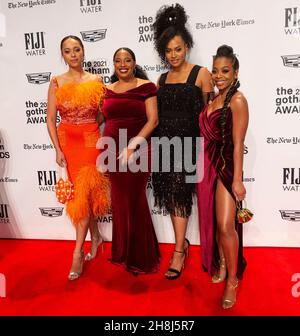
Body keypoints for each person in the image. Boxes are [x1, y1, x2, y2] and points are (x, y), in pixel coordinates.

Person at [152, 3, 213, 280]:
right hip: (166, 145)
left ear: (186, 46)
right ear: (162, 53)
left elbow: (210, 114)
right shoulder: (161, 79)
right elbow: (156, 115)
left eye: (178, 48)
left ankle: (187, 248)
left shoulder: (201, 74)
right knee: (175, 196)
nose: (174, 55)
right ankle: (180, 248)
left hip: (193, 144)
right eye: (168, 50)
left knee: (189, 196)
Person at [47, 35, 110, 280]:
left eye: (76, 49)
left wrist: (90, 128)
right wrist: (57, 148)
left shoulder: (96, 81)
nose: (73, 54)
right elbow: (51, 120)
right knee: (80, 197)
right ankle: (95, 237)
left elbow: (103, 114)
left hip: (90, 140)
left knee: (86, 193)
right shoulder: (56, 83)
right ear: (62, 55)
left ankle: (77, 253)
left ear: (83, 52)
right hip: (67, 143)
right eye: (67, 51)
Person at [100, 47, 160, 274]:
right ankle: (123, 253)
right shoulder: (106, 89)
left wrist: (132, 146)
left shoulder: (146, 87)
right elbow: (99, 118)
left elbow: (153, 121)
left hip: (138, 150)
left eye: (127, 60)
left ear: (134, 63)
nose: (122, 64)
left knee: (134, 200)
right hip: (111, 151)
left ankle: (141, 257)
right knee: (119, 201)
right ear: (113, 64)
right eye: (118, 60)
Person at [197, 45, 248, 309]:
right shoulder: (213, 100)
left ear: (235, 71)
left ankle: (232, 279)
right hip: (207, 167)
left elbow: (238, 143)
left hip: (226, 167)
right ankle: (223, 261)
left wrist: (237, 179)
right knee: (216, 223)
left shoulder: (237, 100)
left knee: (227, 225)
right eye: (215, 70)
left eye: (225, 70)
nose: (218, 75)